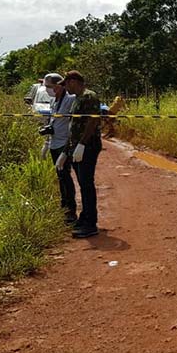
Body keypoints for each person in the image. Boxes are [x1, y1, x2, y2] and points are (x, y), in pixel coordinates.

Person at [63, 70, 102, 238]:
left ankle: (90, 223)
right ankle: (84, 217)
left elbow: (93, 121)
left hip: (88, 146)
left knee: (86, 184)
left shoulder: (89, 96)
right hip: (77, 146)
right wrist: (66, 151)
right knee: (82, 183)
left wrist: (82, 144)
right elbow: (73, 127)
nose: (66, 88)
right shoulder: (77, 99)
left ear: (73, 81)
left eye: (66, 84)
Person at [40, 73, 77, 224]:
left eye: (50, 87)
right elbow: (53, 122)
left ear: (59, 86)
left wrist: (68, 149)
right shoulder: (54, 101)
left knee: (66, 177)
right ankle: (64, 206)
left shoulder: (70, 100)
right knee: (60, 178)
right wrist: (46, 143)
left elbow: (75, 123)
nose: (48, 90)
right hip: (54, 144)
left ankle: (71, 211)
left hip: (64, 145)